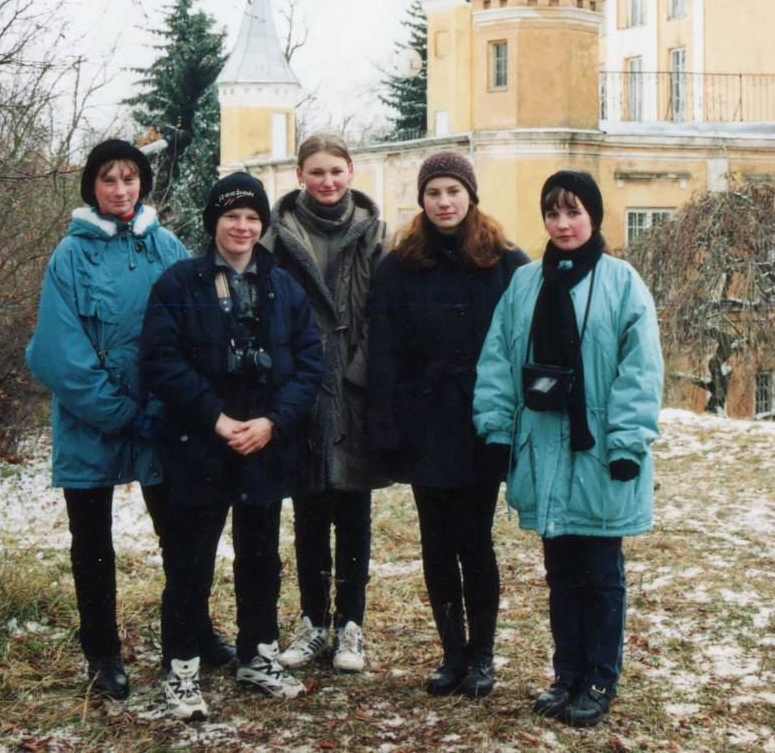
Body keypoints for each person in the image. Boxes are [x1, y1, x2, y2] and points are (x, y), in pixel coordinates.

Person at [26, 139, 229, 701]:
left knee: (182, 532)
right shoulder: (69, 255)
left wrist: (173, 404)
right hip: (90, 422)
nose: (121, 190)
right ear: (92, 186)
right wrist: (121, 413)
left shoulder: (167, 246)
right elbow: (55, 353)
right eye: (109, 180)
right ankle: (102, 654)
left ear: (143, 183)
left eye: (130, 179)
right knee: (92, 543)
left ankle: (191, 633)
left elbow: (197, 328)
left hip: (163, 420)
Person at [473, 169, 663, 729]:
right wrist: (496, 432)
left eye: (573, 212)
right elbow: (498, 361)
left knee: (600, 572)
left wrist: (627, 442)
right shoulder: (525, 283)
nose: (562, 224)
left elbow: (640, 370)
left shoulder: (622, 282)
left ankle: (599, 678)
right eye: (553, 213)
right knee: (560, 572)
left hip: (599, 452)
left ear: (593, 217)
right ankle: (567, 674)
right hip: (544, 451)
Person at [140, 172, 324, 720]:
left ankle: (258, 654)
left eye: (252, 218)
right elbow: (161, 361)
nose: (242, 227)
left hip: (264, 447)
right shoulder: (179, 283)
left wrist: (273, 422)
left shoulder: (284, 287)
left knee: (261, 557)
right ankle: (181, 670)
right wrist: (216, 419)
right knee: (191, 561)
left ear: (262, 225)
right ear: (213, 222)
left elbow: (309, 364)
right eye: (231, 216)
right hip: (199, 446)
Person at [367, 152, 530, 698]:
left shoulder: (506, 260)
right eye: (434, 192)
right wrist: (386, 426)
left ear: (470, 195)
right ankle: (452, 654)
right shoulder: (399, 265)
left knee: (474, 537)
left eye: (453, 191)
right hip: (425, 417)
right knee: (435, 539)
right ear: (422, 199)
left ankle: (482, 656)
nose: (444, 202)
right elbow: (385, 353)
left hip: (484, 417)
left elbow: (525, 344)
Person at [271, 134, 390, 675]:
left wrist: (359, 373)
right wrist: (293, 380)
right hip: (301, 392)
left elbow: (386, 313)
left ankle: (351, 626)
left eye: (336, 171)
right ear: (299, 175)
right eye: (316, 172)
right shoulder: (277, 236)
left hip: (356, 392)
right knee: (309, 512)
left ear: (351, 172)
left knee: (355, 514)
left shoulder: (375, 234)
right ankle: (314, 621)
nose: (327, 182)